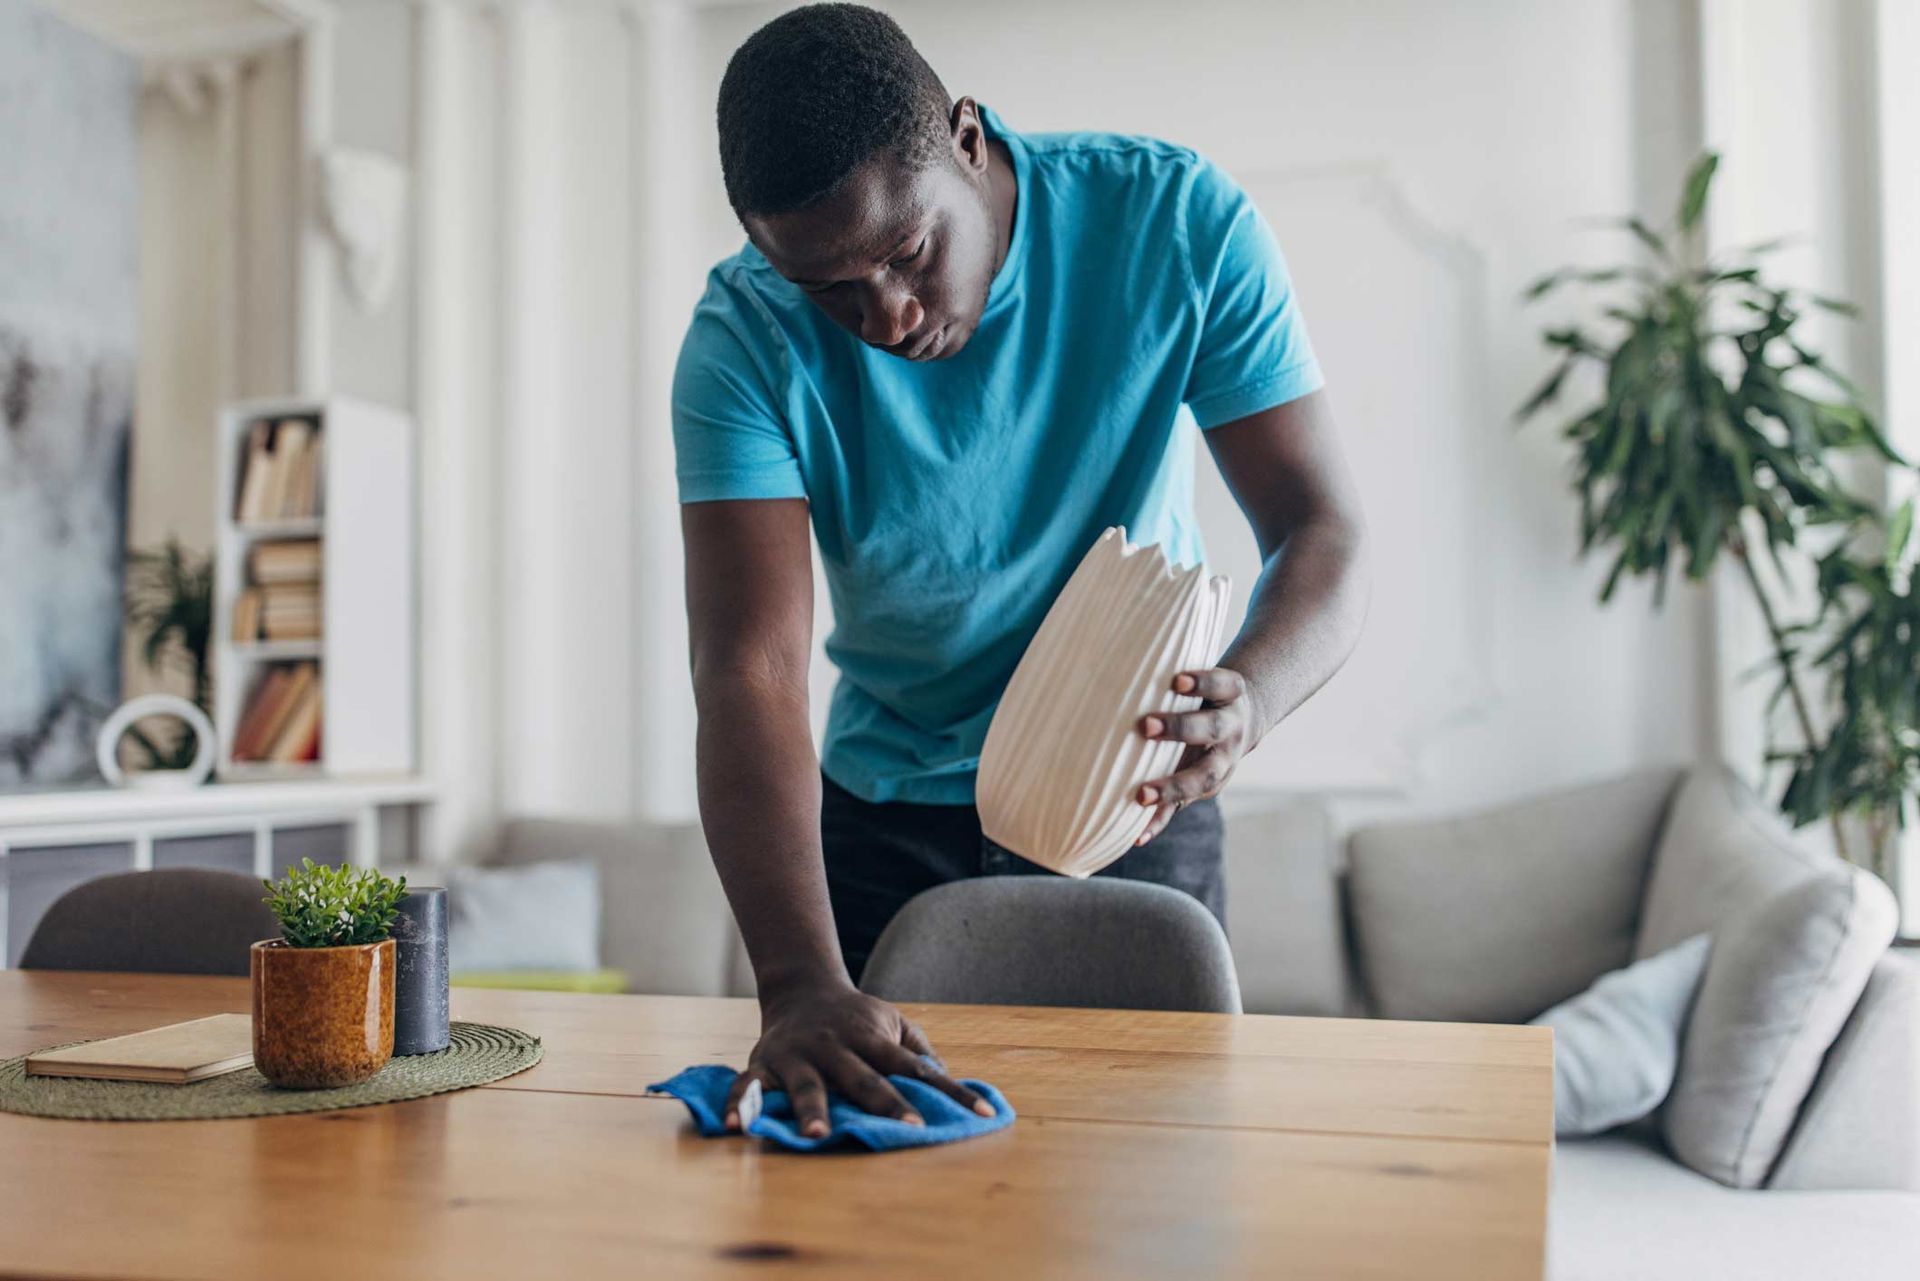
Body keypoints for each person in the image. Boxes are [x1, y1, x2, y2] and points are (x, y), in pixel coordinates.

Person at [674, 3, 1368, 1138]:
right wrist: (799, 982)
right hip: (883, 817)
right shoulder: (742, 337)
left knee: (1146, 1189)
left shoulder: (1175, 223)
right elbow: (750, 668)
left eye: (906, 253)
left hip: (1131, 796)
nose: (885, 317)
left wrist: (1254, 697)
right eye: (831, 290)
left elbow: (1325, 527)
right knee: (880, 1217)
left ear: (966, 138)